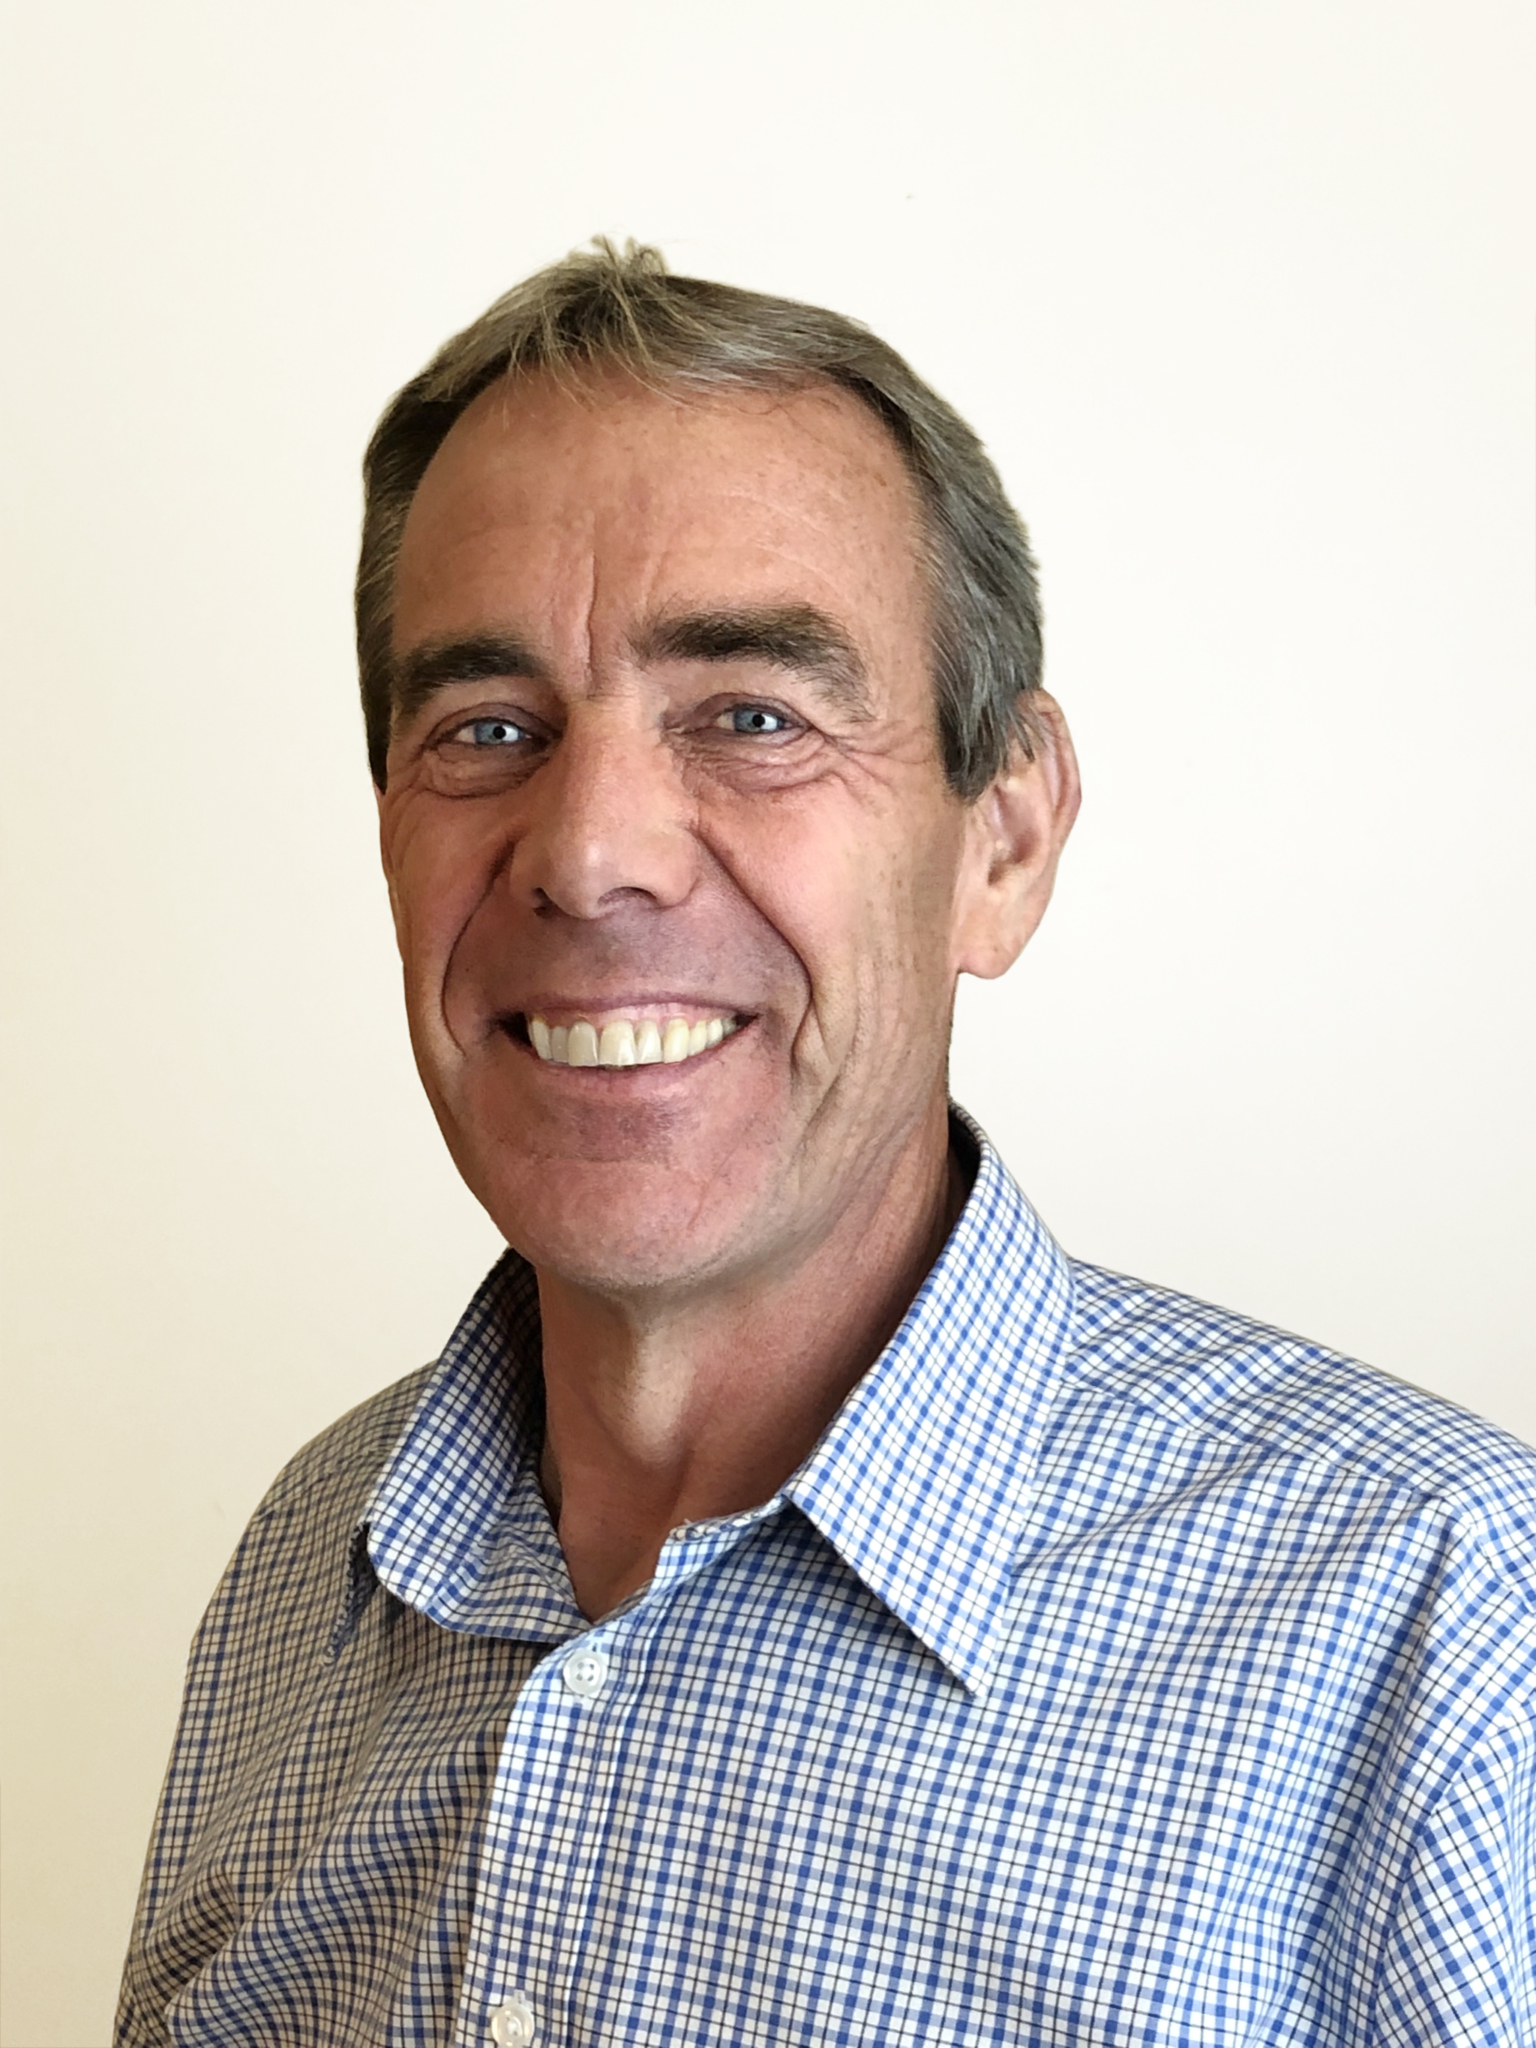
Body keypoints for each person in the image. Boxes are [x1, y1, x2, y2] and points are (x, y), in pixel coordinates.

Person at [116, 241, 1536, 2048]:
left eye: (754, 718)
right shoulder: (307, 1565)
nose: (590, 854)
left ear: (1002, 838)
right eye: (489, 729)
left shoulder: (1444, 1631)